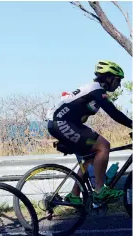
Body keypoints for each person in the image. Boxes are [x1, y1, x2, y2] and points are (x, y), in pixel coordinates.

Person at [46, 60, 132, 204]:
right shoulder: (96, 89)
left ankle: (74, 195)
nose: (119, 85)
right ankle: (99, 191)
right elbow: (113, 113)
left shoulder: (94, 91)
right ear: (109, 77)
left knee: (92, 157)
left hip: (62, 122)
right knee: (103, 146)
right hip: (61, 122)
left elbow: (82, 115)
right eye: (118, 80)